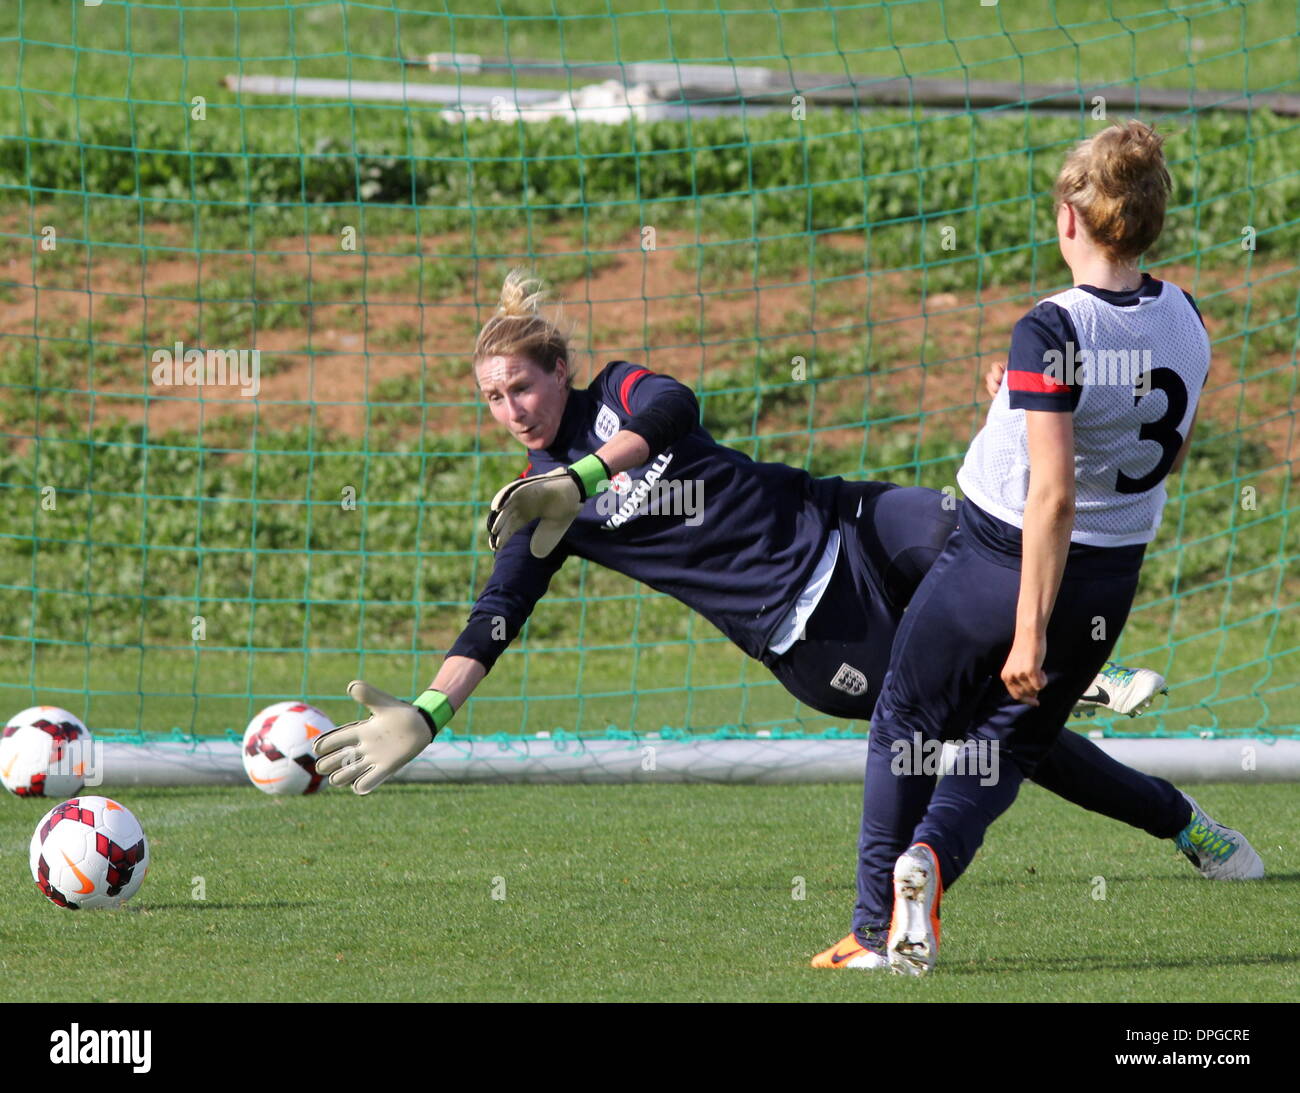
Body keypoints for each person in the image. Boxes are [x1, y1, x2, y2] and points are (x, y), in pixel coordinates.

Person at [311, 263, 1262, 931]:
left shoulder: (618, 394)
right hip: (809, 631)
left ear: (560, 369)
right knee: (1008, 732)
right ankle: (1184, 822)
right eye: (494, 399)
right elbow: (498, 611)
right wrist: (432, 711)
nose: (513, 409)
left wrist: (590, 473)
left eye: (522, 384)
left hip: (839, 518)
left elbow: (672, 407)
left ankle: (1070, 661)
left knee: (967, 526)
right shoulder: (537, 507)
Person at [815, 119, 1263, 979]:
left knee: (904, 719)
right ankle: (932, 863)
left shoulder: (1052, 327)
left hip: (1000, 563)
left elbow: (1053, 497)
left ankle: (875, 929)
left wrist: (1027, 628)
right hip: (1109, 581)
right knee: (1006, 749)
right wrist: (1019, 400)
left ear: (1069, 217)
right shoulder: (1185, 317)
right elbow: (1131, 440)